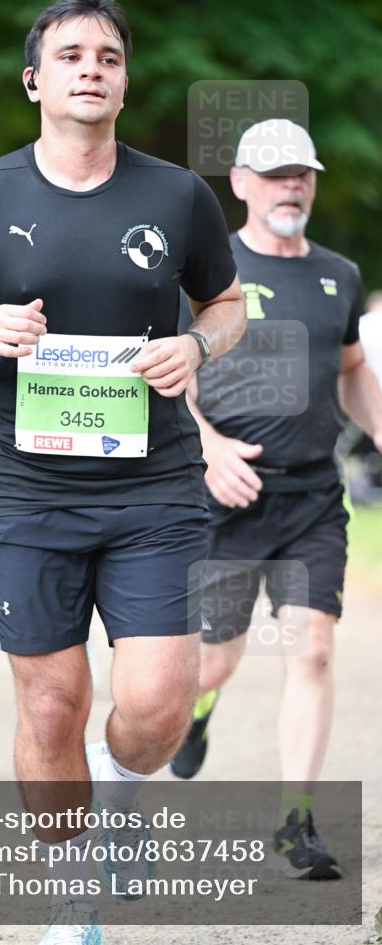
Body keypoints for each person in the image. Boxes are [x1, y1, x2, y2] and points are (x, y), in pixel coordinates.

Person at [0, 0, 245, 943]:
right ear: (34, 81)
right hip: (21, 486)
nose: (90, 67)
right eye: (69, 55)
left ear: (124, 82)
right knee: (49, 708)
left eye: (107, 56)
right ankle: (70, 899)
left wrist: (200, 350)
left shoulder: (177, 195)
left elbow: (225, 305)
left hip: (152, 484)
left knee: (154, 709)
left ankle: (122, 787)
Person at [171, 119, 382, 880]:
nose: (289, 185)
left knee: (313, 651)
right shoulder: (207, 270)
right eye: (273, 174)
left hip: (311, 499)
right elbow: (165, 375)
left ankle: (296, 823)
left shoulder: (339, 274)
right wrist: (208, 449)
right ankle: (194, 714)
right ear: (240, 183)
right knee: (213, 665)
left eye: (301, 173)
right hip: (226, 498)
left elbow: (352, 370)